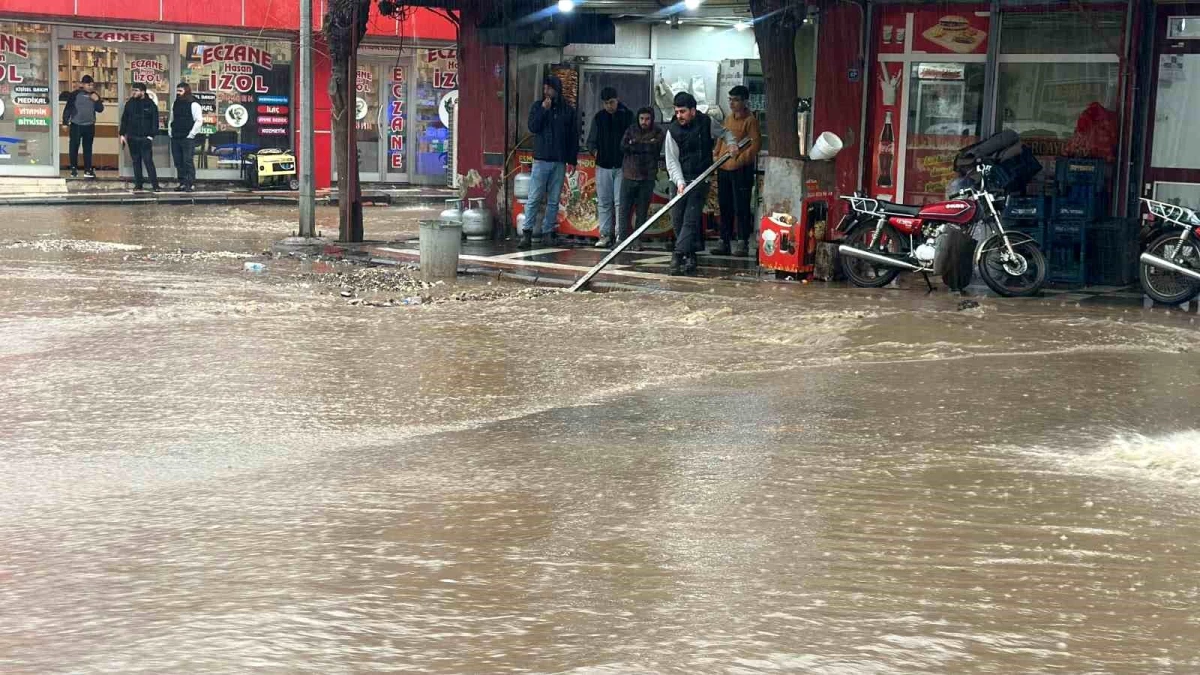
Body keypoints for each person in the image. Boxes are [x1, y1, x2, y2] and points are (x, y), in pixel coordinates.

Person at [665, 91, 737, 276]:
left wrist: (731, 143)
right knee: (678, 220)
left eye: (683, 111)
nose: (679, 115)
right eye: (677, 111)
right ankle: (690, 255)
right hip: (679, 179)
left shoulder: (706, 123)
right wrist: (680, 182)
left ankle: (678, 254)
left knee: (690, 219)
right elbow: (672, 160)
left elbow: (725, 132)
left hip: (700, 178)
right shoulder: (672, 131)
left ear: (693, 111)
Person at [519, 75, 579, 251]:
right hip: (541, 159)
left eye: (549, 89)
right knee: (534, 198)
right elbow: (533, 127)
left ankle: (547, 233)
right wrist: (544, 110)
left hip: (559, 161)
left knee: (553, 200)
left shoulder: (567, 111)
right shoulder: (538, 106)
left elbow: (572, 137)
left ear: (556, 90)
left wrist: (572, 159)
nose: (546, 92)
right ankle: (527, 233)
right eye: (544, 88)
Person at [713, 85, 762, 257]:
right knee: (724, 205)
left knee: (741, 206)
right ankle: (724, 240)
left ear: (744, 101)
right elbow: (722, 137)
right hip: (724, 167)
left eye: (735, 100)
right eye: (730, 99)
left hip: (741, 170)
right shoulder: (728, 118)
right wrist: (716, 154)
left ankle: (742, 241)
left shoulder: (751, 121)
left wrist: (740, 160)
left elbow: (755, 145)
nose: (732, 103)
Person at [586, 86, 633, 249]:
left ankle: (621, 236)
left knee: (620, 202)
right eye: (605, 103)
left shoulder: (627, 116)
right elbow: (590, 141)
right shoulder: (599, 118)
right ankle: (605, 234)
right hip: (603, 165)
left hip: (621, 166)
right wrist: (595, 152)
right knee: (604, 202)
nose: (609, 106)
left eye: (611, 102)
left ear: (617, 99)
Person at [619, 106, 665, 247]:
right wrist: (644, 144)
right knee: (624, 209)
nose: (644, 122)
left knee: (642, 210)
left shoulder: (658, 132)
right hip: (629, 174)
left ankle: (637, 240)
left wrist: (635, 144)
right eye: (642, 119)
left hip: (647, 177)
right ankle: (622, 239)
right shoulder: (631, 129)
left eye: (647, 119)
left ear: (652, 119)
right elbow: (623, 147)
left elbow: (653, 148)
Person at [119, 83, 161, 192]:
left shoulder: (150, 104)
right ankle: (138, 184)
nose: (133, 92)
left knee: (148, 161)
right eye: (133, 90)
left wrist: (151, 136)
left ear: (143, 92)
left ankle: (155, 185)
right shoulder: (130, 104)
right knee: (136, 161)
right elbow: (124, 119)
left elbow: (155, 122)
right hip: (132, 137)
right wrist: (122, 134)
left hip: (145, 137)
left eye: (136, 90)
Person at [60, 75, 104, 178]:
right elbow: (68, 109)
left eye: (92, 85)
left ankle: (88, 169)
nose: (90, 87)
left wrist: (97, 100)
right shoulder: (75, 94)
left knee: (88, 148)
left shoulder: (94, 95)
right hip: (76, 124)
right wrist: (65, 122)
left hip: (89, 125)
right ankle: (73, 169)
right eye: (88, 85)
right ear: (82, 84)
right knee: (74, 147)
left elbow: (100, 109)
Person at [170, 82, 204, 192]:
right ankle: (182, 183)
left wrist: (191, 134)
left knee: (187, 161)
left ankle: (191, 183)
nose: (178, 93)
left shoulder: (193, 104)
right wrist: (170, 132)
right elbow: (172, 118)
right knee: (178, 161)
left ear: (186, 91)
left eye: (180, 91)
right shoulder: (175, 103)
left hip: (187, 137)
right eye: (177, 91)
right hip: (176, 136)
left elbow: (198, 120)